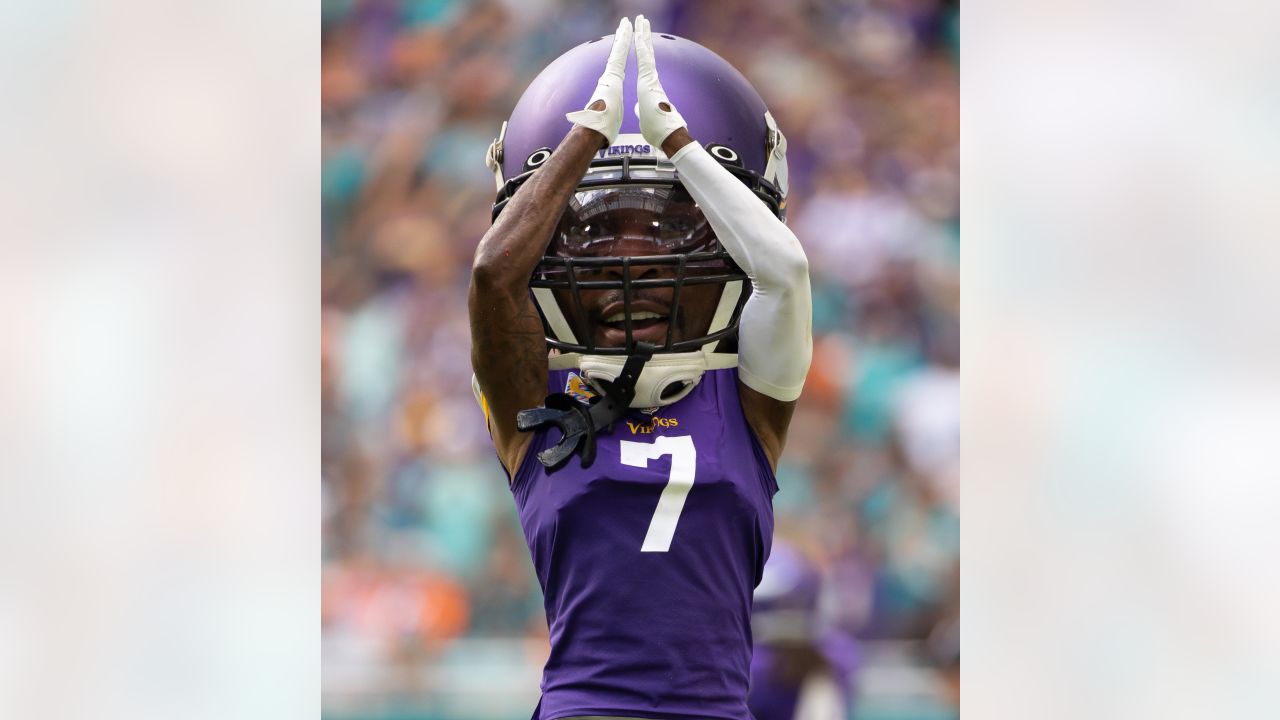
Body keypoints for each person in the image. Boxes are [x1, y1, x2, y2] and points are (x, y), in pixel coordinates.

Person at [469, 16, 812, 719]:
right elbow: (493, 275)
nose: (634, 268)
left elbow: (785, 272)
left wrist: (679, 146)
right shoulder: (532, 404)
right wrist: (586, 136)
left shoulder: (750, 403)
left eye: (665, 234)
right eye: (599, 237)